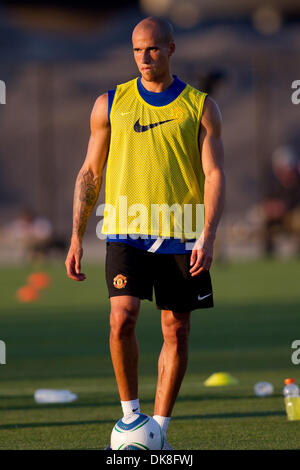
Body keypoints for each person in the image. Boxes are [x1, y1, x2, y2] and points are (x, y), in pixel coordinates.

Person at [65, 16, 225, 450]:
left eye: (152, 49)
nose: (144, 57)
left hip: (182, 233)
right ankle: (131, 418)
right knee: (122, 319)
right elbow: (90, 174)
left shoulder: (200, 106)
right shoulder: (110, 103)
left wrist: (208, 235)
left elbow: (213, 174)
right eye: (137, 50)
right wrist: (77, 235)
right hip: (123, 231)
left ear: (171, 49)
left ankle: (158, 432)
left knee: (177, 331)